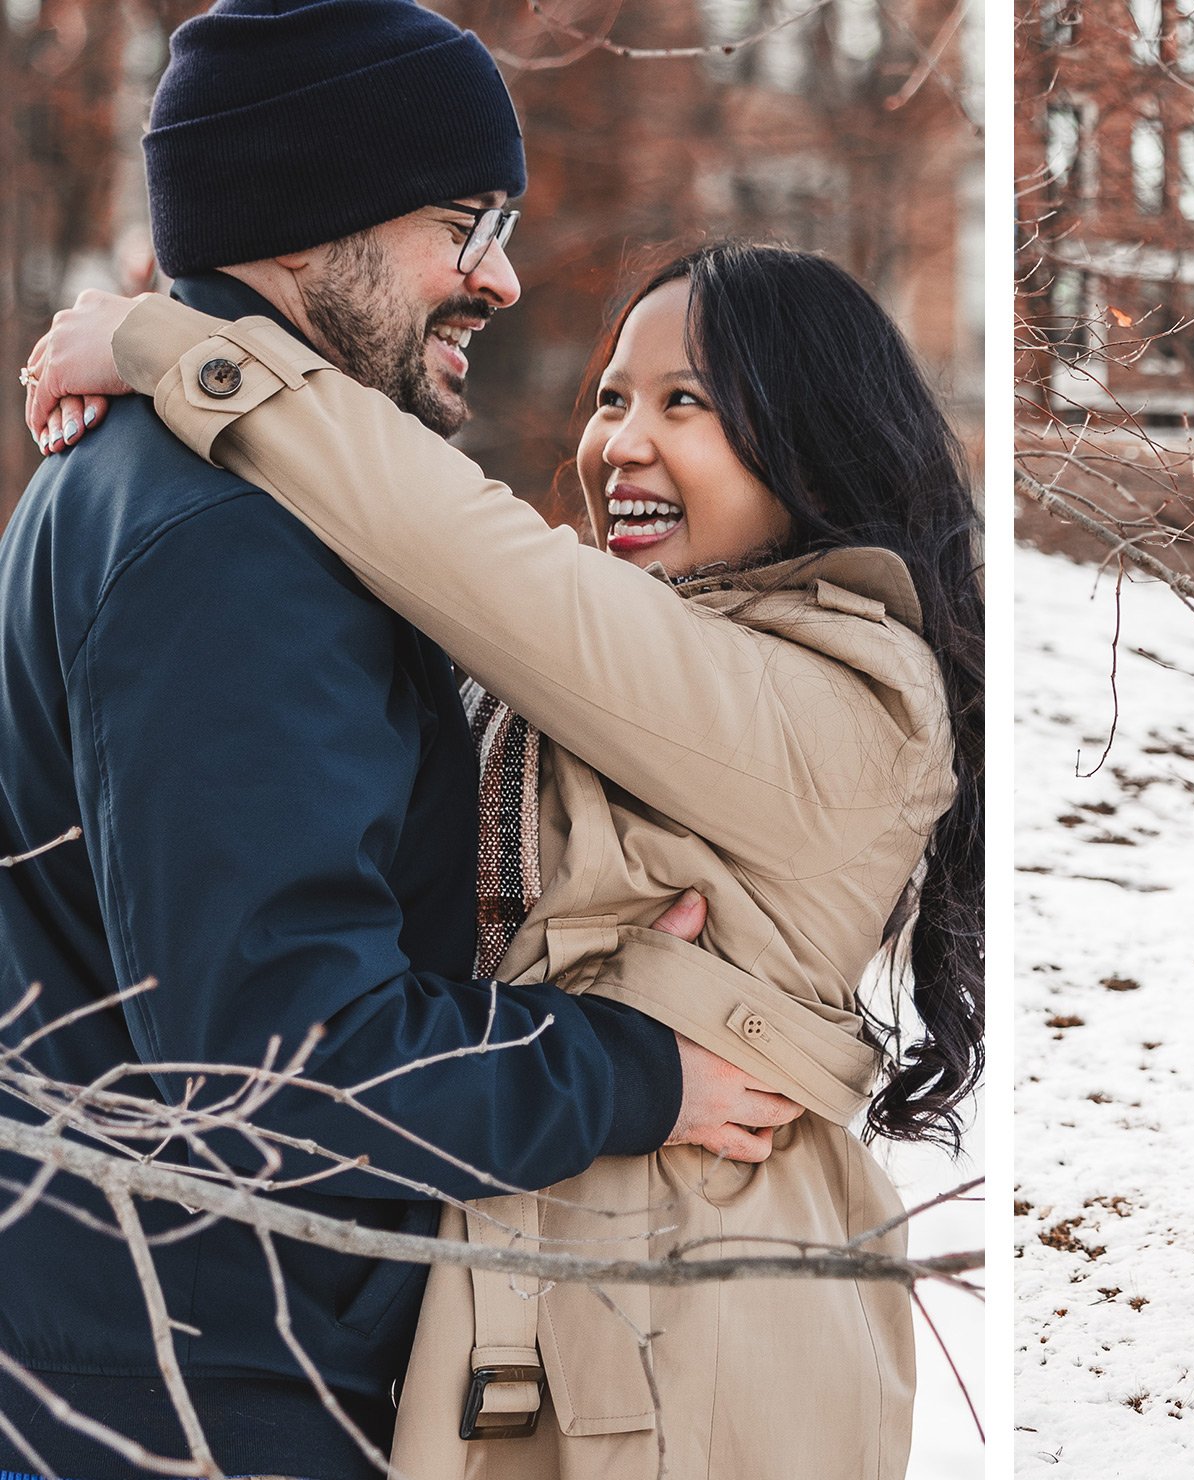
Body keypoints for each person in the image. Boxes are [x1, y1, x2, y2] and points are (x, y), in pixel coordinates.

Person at [29, 237, 984, 1478]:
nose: (618, 443)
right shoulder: (620, 667)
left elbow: (470, 559)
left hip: (694, 1325)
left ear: (811, 435)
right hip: (538, 1298)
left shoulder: (845, 700)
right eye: (609, 398)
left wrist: (186, 344)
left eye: (683, 401)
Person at [0, 4, 791, 1475]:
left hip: (166, 1341)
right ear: (309, 217)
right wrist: (639, 1072)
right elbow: (287, 1066)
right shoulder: (231, 539)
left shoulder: (181, 481)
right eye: (461, 222)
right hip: (205, 1391)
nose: (496, 277)